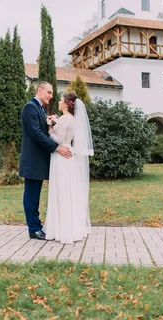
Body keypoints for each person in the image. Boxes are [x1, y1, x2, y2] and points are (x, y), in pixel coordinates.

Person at [19, 82, 72, 240]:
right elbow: (35, 133)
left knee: (35, 195)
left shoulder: (40, 109)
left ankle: (37, 226)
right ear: (40, 90)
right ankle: (34, 229)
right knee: (31, 195)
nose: (51, 96)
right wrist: (57, 147)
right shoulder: (30, 107)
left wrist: (51, 123)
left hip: (38, 161)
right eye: (49, 92)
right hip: (32, 160)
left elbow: (42, 130)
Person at [43, 93, 94, 244]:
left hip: (61, 155)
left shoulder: (64, 119)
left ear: (66, 104)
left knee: (61, 190)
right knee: (68, 190)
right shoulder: (72, 119)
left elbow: (59, 139)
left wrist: (50, 130)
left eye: (60, 100)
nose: (58, 101)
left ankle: (62, 230)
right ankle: (72, 227)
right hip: (69, 154)